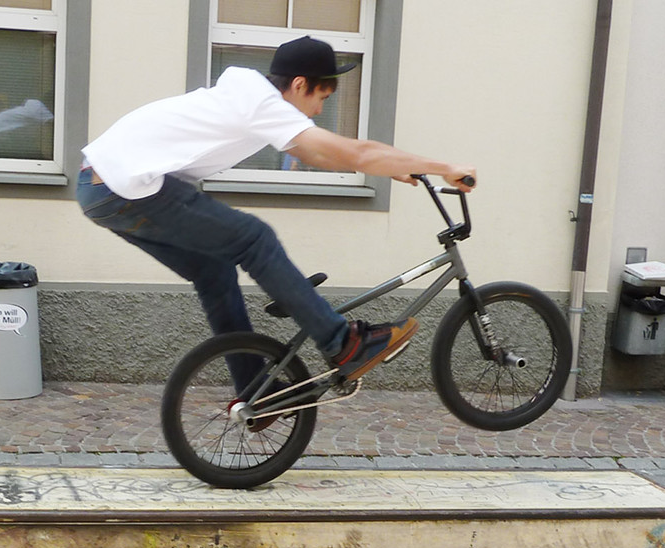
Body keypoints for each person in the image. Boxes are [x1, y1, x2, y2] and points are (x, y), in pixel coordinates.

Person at [77, 36, 475, 392]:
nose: (318, 110)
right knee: (255, 238)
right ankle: (343, 343)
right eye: (321, 98)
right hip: (125, 187)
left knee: (215, 271)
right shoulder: (261, 104)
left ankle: (254, 389)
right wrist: (443, 167)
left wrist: (395, 167)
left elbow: (324, 155)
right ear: (299, 85)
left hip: (98, 188)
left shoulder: (249, 97)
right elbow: (355, 152)